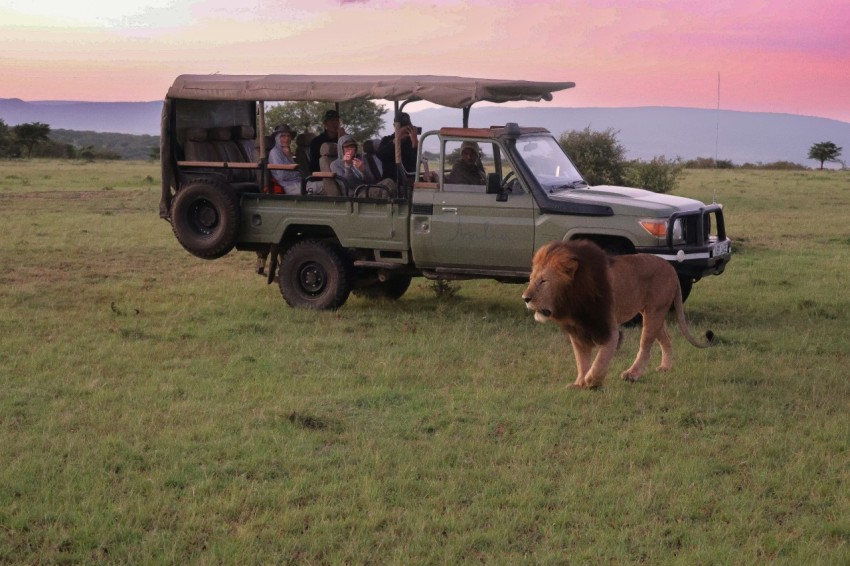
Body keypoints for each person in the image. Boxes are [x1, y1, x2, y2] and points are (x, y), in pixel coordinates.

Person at [376, 112, 420, 183]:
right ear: (395, 127)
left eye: (408, 127)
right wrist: (396, 140)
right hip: (393, 180)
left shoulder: (410, 142)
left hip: (409, 179)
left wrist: (415, 144)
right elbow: (380, 154)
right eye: (403, 127)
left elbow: (414, 163)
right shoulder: (387, 140)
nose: (405, 130)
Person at [268, 124, 303, 194]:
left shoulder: (286, 151)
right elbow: (282, 176)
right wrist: (297, 173)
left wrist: (289, 156)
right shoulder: (275, 152)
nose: (286, 139)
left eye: (288, 136)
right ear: (277, 138)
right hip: (290, 186)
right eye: (283, 136)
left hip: (299, 183)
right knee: (323, 186)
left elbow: (299, 170)